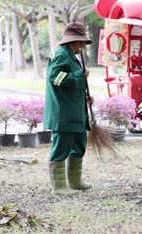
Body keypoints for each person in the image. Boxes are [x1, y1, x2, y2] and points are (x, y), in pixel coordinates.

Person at [44, 22, 93, 195]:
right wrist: (79, 75)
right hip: (63, 113)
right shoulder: (61, 55)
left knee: (79, 144)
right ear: (73, 41)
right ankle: (59, 187)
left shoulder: (72, 55)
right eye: (81, 42)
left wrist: (85, 96)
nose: (83, 46)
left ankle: (75, 181)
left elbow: (72, 85)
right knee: (61, 147)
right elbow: (55, 79)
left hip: (76, 111)